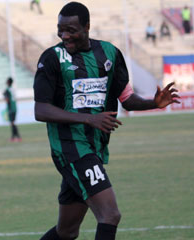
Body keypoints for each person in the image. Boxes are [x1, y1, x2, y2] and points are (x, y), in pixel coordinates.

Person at [33, 2, 180, 240]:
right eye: (60, 29)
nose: (64, 35)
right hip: (70, 147)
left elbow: (127, 98)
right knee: (110, 214)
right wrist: (89, 119)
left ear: (87, 26)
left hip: (94, 147)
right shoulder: (52, 58)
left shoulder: (109, 54)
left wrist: (154, 103)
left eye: (71, 29)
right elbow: (40, 110)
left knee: (67, 231)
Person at [3, 77, 21, 142]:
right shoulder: (12, 89)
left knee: (12, 123)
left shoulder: (7, 90)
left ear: (8, 82)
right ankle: (14, 137)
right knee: (12, 123)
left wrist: (5, 97)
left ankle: (17, 137)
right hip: (14, 107)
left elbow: (7, 100)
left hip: (11, 108)